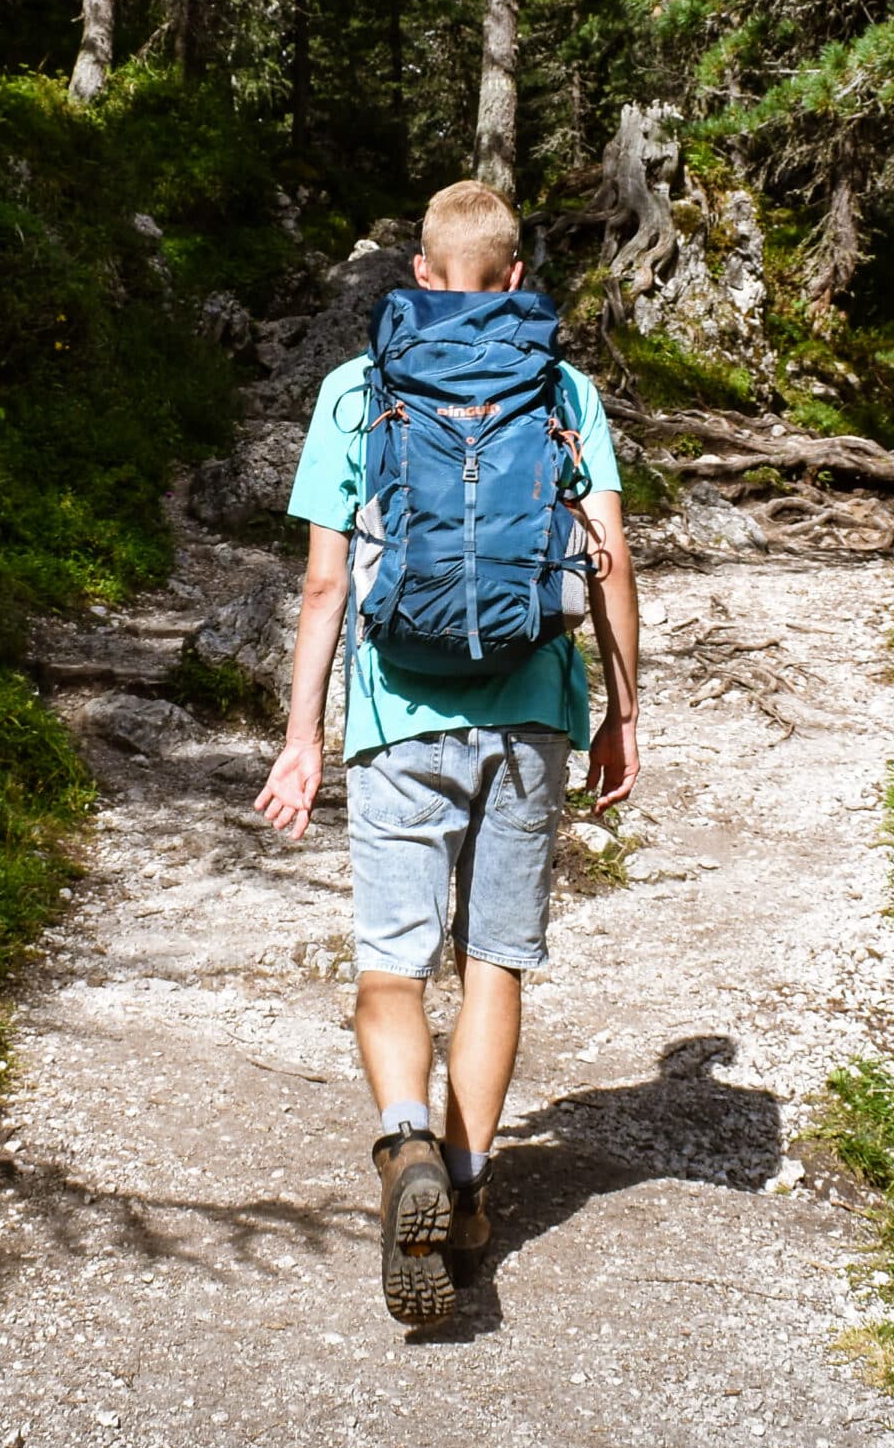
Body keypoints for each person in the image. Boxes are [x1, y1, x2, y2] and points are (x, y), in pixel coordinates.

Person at [254, 180, 640, 1324]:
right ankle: (466, 1192)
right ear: (515, 277)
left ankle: (403, 1142)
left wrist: (301, 740)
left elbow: (327, 581)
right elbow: (610, 559)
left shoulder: (355, 389)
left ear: (418, 273)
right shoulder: (563, 388)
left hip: (395, 711)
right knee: (494, 959)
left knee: (392, 956)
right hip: (529, 712)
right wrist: (624, 712)